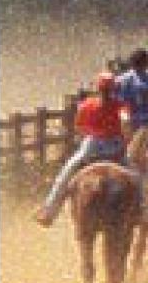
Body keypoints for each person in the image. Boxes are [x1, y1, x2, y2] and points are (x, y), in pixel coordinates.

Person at [34, 72, 131, 227]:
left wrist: (92, 132)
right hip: (115, 147)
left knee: (65, 174)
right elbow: (126, 122)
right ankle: (144, 210)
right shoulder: (121, 106)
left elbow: (79, 127)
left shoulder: (87, 104)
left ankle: (49, 211)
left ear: (97, 88)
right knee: (135, 176)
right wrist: (126, 138)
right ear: (114, 88)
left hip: (92, 146)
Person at [116, 48, 148, 132]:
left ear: (131, 62)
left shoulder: (119, 80)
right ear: (146, 63)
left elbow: (115, 103)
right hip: (144, 125)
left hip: (123, 125)